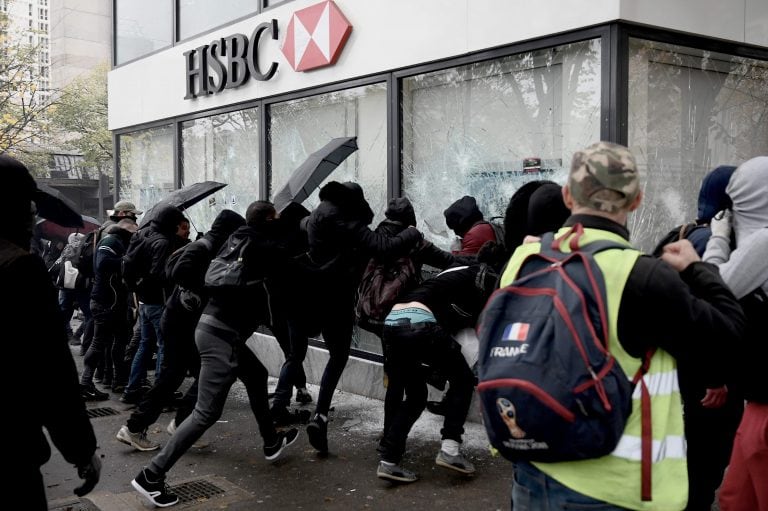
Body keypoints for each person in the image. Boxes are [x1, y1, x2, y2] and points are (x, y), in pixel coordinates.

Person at [502, 142, 745, 510]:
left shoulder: (526, 258)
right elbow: (729, 339)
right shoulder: (642, 275)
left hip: (532, 472)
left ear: (568, 196)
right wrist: (699, 267)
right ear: (636, 201)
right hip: (612, 489)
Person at [131, 201, 302, 507]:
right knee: (206, 413)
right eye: (275, 218)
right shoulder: (259, 250)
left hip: (216, 331)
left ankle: (271, 441)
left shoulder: (241, 244)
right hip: (219, 337)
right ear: (267, 222)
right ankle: (151, 476)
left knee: (256, 374)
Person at [0, 154, 100, 509]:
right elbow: (50, 373)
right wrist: (81, 450)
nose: (33, 216)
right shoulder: (20, 267)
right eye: (28, 205)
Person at [303, 182, 423, 454]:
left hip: (316, 297)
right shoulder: (343, 219)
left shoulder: (316, 216)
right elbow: (382, 246)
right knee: (341, 356)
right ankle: (385, 436)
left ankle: (321, 416)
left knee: (338, 356)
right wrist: (413, 232)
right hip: (338, 297)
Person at [652, 164, 743, 511]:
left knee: (689, 468)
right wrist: (716, 375)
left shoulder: (681, 234)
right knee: (703, 472)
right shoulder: (713, 243)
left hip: (680, 375)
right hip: (708, 386)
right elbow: (710, 313)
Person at [116, 209, 245, 451]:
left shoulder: (207, 247)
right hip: (179, 325)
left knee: (197, 378)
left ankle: (176, 423)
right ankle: (134, 427)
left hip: (183, 324)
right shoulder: (202, 248)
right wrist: (205, 286)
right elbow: (175, 273)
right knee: (173, 379)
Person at [377, 260, 499, 483]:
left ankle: (389, 461)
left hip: (392, 323)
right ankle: (450, 450)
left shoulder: (454, 273)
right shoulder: (488, 276)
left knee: (416, 396)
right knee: (462, 380)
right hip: (419, 322)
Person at [702, 156, 768, 511]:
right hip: (757, 403)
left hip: (765, 406)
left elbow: (715, 288)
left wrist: (718, 238)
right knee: (735, 499)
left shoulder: (765, 241)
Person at [122, 204, 189, 404]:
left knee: (145, 344)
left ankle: (132, 389)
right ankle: (161, 395)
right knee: (164, 347)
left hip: (144, 300)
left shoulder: (143, 234)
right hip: (158, 301)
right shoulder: (162, 242)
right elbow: (160, 274)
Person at [80, 218, 139, 401]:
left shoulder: (117, 242)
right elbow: (103, 264)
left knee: (120, 340)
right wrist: (126, 260)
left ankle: (118, 379)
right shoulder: (111, 241)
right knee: (98, 343)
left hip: (114, 302)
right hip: (105, 302)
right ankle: (85, 383)